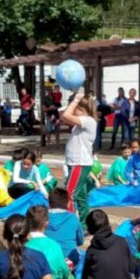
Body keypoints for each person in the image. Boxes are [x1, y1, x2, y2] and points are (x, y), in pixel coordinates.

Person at [78, 209, 135, 279]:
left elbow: (85, 277)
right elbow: (132, 267)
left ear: (90, 230)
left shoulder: (92, 250)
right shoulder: (121, 241)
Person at [60, 88, 98, 227]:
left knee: (68, 194)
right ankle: (84, 224)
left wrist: (76, 100)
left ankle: (68, 225)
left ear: (80, 109)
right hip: (75, 163)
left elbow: (66, 116)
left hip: (79, 164)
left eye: (75, 107)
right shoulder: (82, 123)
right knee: (80, 196)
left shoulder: (88, 120)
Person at [46, 187, 84, 264]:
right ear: (67, 204)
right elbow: (80, 241)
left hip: (47, 260)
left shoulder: (42, 217)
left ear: (49, 203)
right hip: (68, 260)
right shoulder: (73, 218)